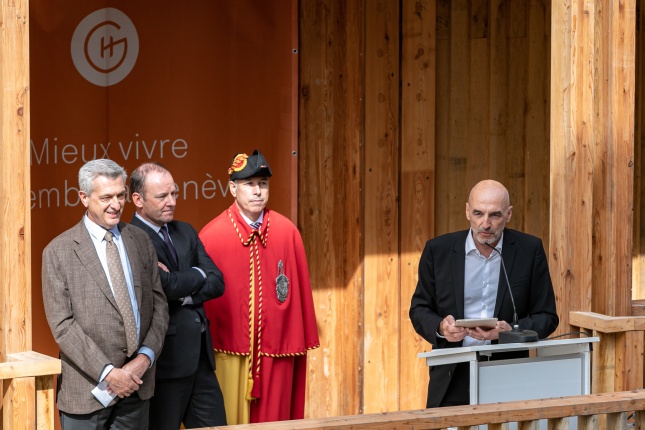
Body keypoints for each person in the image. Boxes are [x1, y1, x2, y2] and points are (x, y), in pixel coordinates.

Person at [42, 159, 169, 429]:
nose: (116, 204)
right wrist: (109, 373)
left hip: (137, 386)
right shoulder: (58, 252)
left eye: (121, 195)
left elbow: (159, 306)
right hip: (87, 392)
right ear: (84, 198)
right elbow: (63, 326)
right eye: (106, 197)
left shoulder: (140, 240)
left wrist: (144, 358)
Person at [409, 179, 559, 408]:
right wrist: (441, 328)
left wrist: (510, 331)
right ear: (467, 211)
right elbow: (419, 309)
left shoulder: (530, 250)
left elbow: (547, 316)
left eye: (495, 215)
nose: (485, 223)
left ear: (508, 215)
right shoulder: (437, 250)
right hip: (452, 371)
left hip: (509, 373)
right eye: (478, 213)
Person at [199, 149, 320, 424]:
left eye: (263, 184)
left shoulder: (287, 232)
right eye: (249, 184)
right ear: (233, 188)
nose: (257, 191)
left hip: (277, 353)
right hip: (228, 353)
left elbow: (298, 295)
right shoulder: (211, 235)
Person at [129, 162, 227, 429]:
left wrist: (181, 289)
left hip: (201, 361)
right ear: (138, 199)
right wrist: (196, 275)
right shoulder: (131, 238)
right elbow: (164, 286)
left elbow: (217, 281)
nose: (171, 201)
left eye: (174, 193)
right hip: (166, 364)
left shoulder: (186, 230)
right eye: (162, 196)